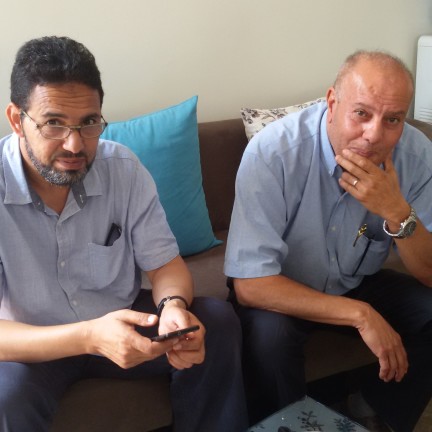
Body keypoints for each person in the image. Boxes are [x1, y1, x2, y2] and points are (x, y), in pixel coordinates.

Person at [0, 36, 248, 432]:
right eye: (53, 123)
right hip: (35, 343)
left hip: (122, 318)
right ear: (17, 119)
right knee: (4, 396)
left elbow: (166, 265)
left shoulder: (123, 169)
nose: (74, 144)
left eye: (89, 123)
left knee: (215, 323)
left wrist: (172, 307)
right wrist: (88, 337)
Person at [225, 50, 432, 432]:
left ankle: (374, 413)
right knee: (270, 338)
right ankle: (287, 426)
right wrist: (360, 315)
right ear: (333, 103)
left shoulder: (417, 157)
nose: (374, 134)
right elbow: (251, 284)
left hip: (355, 281)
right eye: (361, 113)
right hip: (281, 288)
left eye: (392, 119)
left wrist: (396, 212)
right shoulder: (273, 152)